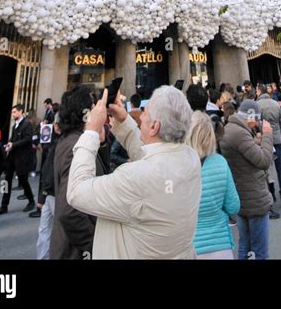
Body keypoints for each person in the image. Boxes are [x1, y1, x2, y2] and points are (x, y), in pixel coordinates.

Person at [67, 85, 201, 259]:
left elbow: (77, 192)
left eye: (146, 111)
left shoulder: (134, 177)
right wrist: (124, 122)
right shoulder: (190, 159)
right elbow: (155, 159)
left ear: (154, 127)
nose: (142, 115)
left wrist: (91, 132)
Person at [50, 87, 110, 259]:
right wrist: (94, 245)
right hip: (74, 251)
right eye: (93, 108)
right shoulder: (74, 147)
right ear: (85, 114)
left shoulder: (76, 140)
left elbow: (101, 175)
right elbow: (69, 212)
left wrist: (102, 142)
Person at [219, 99, 273, 260]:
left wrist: (256, 141)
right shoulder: (240, 133)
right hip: (254, 198)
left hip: (240, 196)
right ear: (250, 117)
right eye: (256, 119)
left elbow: (244, 152)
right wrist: (267, 137)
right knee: (259, 250)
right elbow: (264, 161)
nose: (256, 123)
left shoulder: (230, 129)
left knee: (245, 246)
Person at [186, 111, 239, 259]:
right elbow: (234, 206)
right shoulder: (220, 162)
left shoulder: (177, 167)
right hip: (221, 246)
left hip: (191, 247)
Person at [0, 104, 35, 216]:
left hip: (21, 158)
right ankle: (3, 205)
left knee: (23, 181)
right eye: (12, 112)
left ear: (21, 111)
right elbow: (12, 138)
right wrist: (9, 144)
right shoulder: (14, 125)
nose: (13, 114)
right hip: (11, 158)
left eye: (15, 112)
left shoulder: (27, 125)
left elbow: (28, 139)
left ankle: (31, 201)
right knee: (6, 181)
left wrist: (13, 144)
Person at [256, 83, 281, 208]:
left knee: (267, 170)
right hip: (277, 138)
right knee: (280, 169)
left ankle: (272, 194)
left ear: (259, 92)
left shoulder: (257, 105)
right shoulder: (275, 103)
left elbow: (257, 124)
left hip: (265, 139)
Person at [36, 116, 60, 259]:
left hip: (57, 195)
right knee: (44, 230)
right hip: (49, 194)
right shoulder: (53, 143)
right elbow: (45, 171)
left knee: (55, 231)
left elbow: (47, 173)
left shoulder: (62, 144)